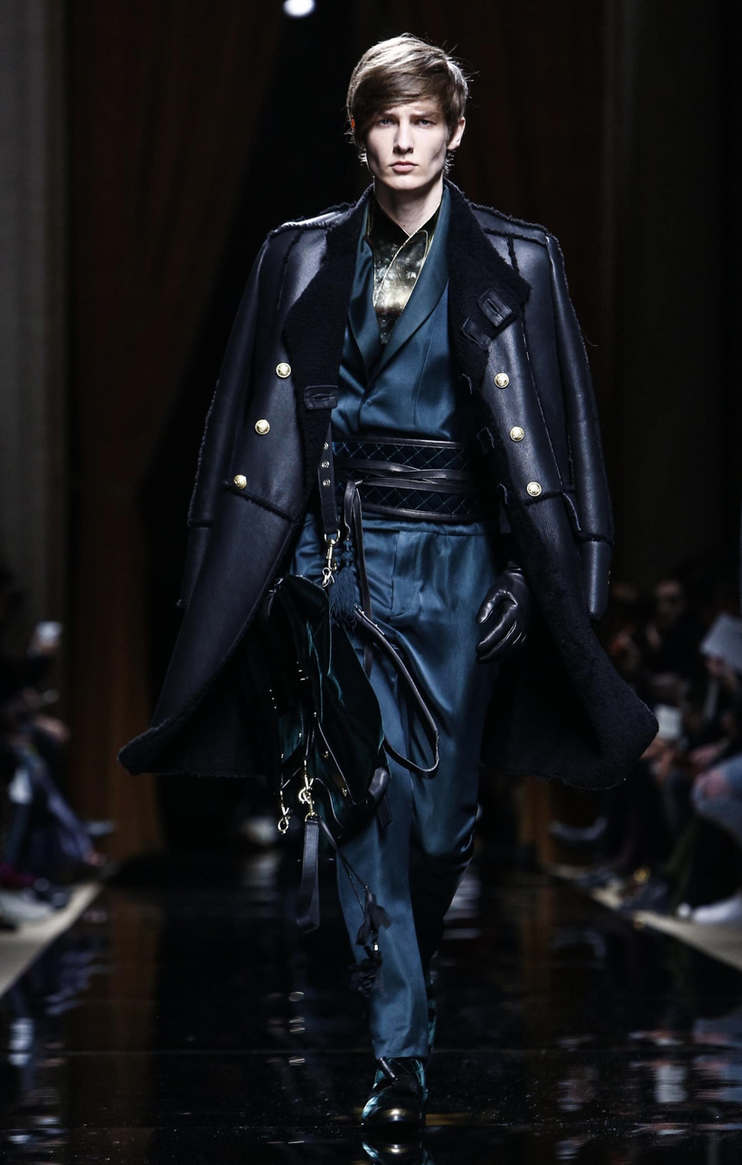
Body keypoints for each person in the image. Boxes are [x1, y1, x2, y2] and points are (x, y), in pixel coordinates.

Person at [120, 35, 657, 1137]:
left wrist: (532, 573)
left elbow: (559, 433)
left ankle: (398, 957)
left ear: (454, 133)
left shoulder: (523, 257)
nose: (404, 141)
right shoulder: (297, 254)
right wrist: (257, 565)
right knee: (364, 794)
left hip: (462, 565)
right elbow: (241, 418)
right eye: (384, 120)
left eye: (422, 121)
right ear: (359, 134)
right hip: (336, 561)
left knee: (441, 824)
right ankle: (398, 1055)